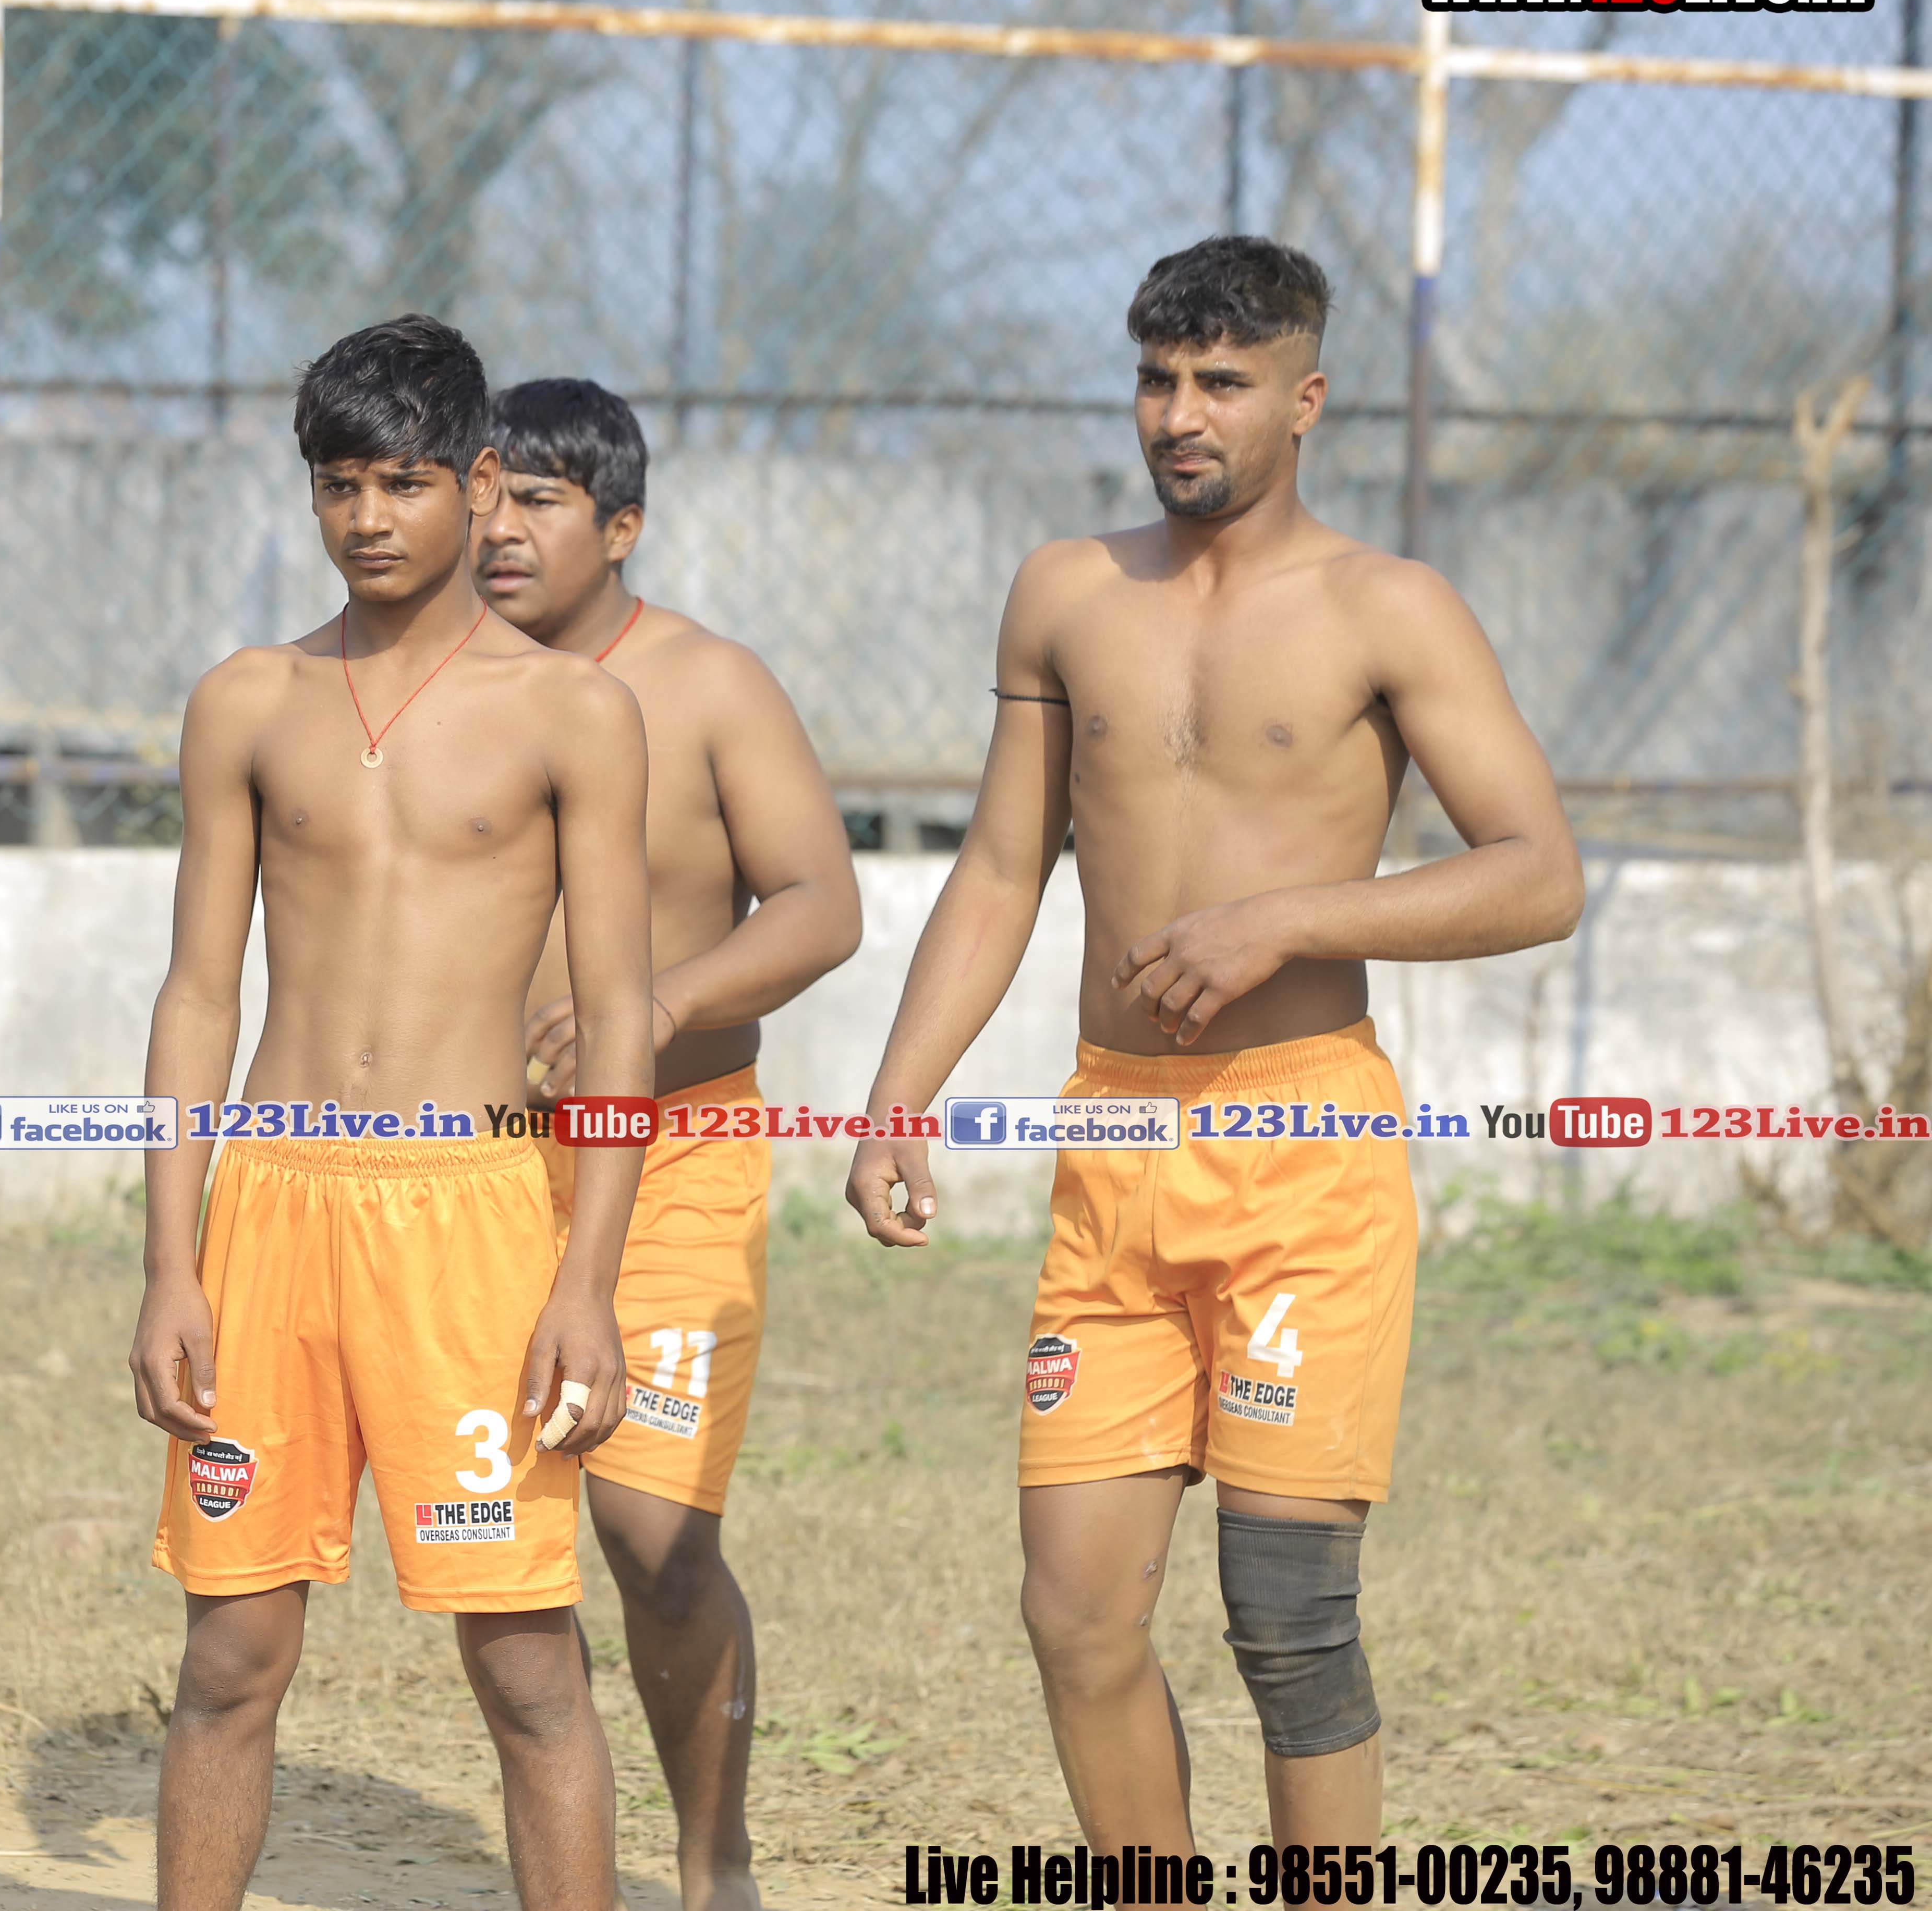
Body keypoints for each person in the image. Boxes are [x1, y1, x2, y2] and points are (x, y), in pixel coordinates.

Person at [847, 237, 1584, 1847]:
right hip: (1115, 1136)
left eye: (1223, 383)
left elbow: (1540, 874)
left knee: (1288, 1618)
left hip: (1303, 1144)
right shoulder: (1065, 591)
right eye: (1157, 379)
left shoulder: (1390, 607)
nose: (1179, 415)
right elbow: (1002, 865)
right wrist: (898, 1094)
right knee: (1075, 1614)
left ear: (1304, 401)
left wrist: (1292, 921)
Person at [129, 315, 654, 1911]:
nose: (368, 517)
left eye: (405, 482)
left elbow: (620, 1016)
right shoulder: (248, 700)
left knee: (528, 1666)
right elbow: (198, 996)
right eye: (338, 484)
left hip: (474, 1220)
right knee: (231, 1654)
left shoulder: (572, 713)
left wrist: (587, 1283)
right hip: (272, 1213)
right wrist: (170, 1265)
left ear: (480, 485)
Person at [480, 378, 860, 1911]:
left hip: (680, 1153)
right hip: (482, 1164)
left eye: (542, 502)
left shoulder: (708, 685)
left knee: (652, 1536)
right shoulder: (436, 685)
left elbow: (822, 904)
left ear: (622, 526)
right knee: (498, 1544)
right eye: (487, 497)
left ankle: (716, 1862)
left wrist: (657, 1004)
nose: (503, 531)